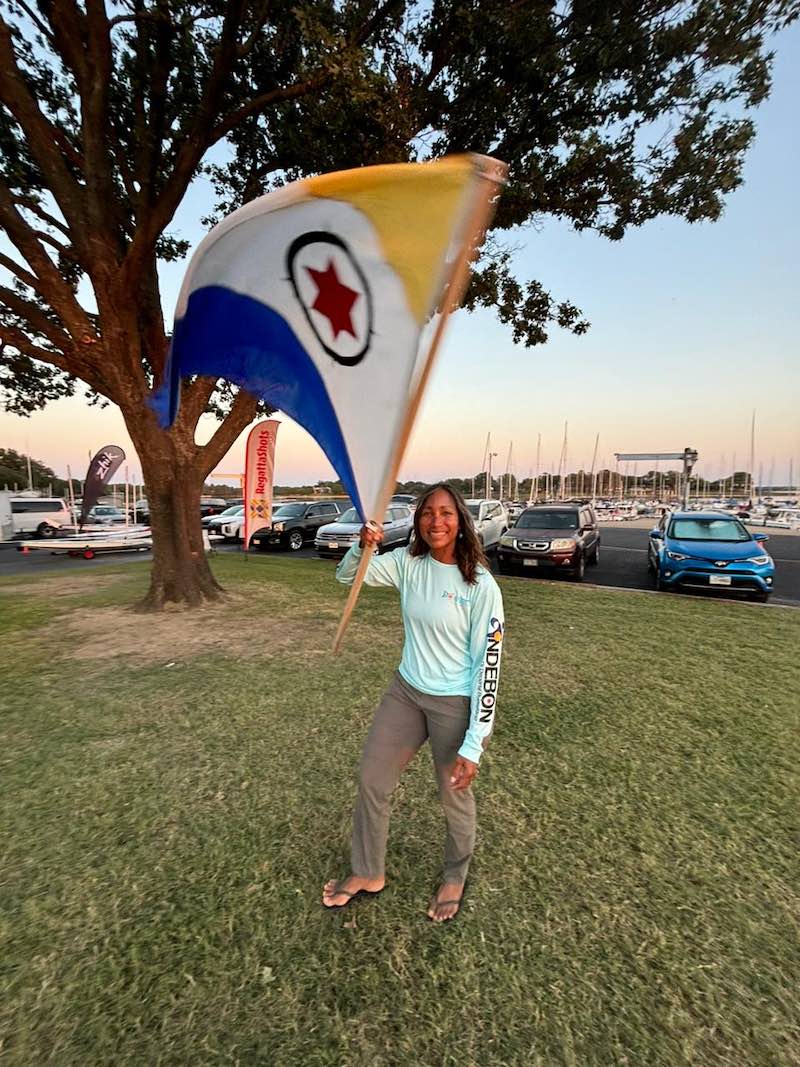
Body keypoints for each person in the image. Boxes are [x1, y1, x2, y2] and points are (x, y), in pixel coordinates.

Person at [322, 483, 505, 922]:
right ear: (418, 520)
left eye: (445, 513)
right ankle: (368, 872)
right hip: (406, 691)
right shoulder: (408, 563)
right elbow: (349, 577)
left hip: (454, 702)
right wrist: (361, 547)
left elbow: (489, 663)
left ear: (461, 521)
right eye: (427, 513)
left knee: (454, 794)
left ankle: (455, 876)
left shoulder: (480, 585)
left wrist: (474, 742)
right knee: (372, 778)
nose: (435, 521)